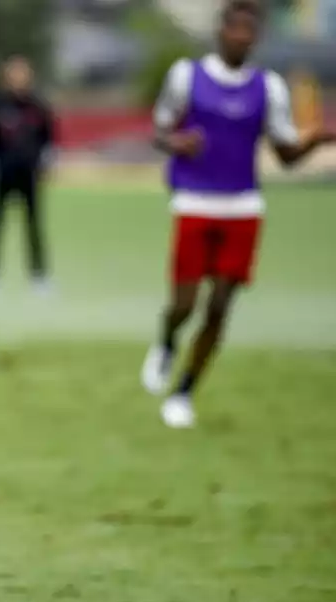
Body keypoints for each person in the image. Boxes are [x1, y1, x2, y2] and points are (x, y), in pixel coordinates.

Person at [141, 0, 335, 428]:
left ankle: (185, 392)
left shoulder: (269, 89)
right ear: (221, 32)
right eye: (236, 29)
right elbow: (159, 129)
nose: (242, 38)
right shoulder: (187, 77)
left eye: (250, 31)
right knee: (184, 304)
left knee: (220, 306)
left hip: (243, 207)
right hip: (194, 201)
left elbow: (285, 156)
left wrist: (318, 138)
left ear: (257, 38)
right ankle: (167, 340)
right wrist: (176, 143)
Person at [0, 55, 55, 293]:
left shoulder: (38, 106)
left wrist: (45, 164)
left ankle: (39, 276)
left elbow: (48, 140)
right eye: (14, 74)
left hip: (30, 174)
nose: (18, 79)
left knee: (33, 224)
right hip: (3, 174)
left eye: (22, 74)